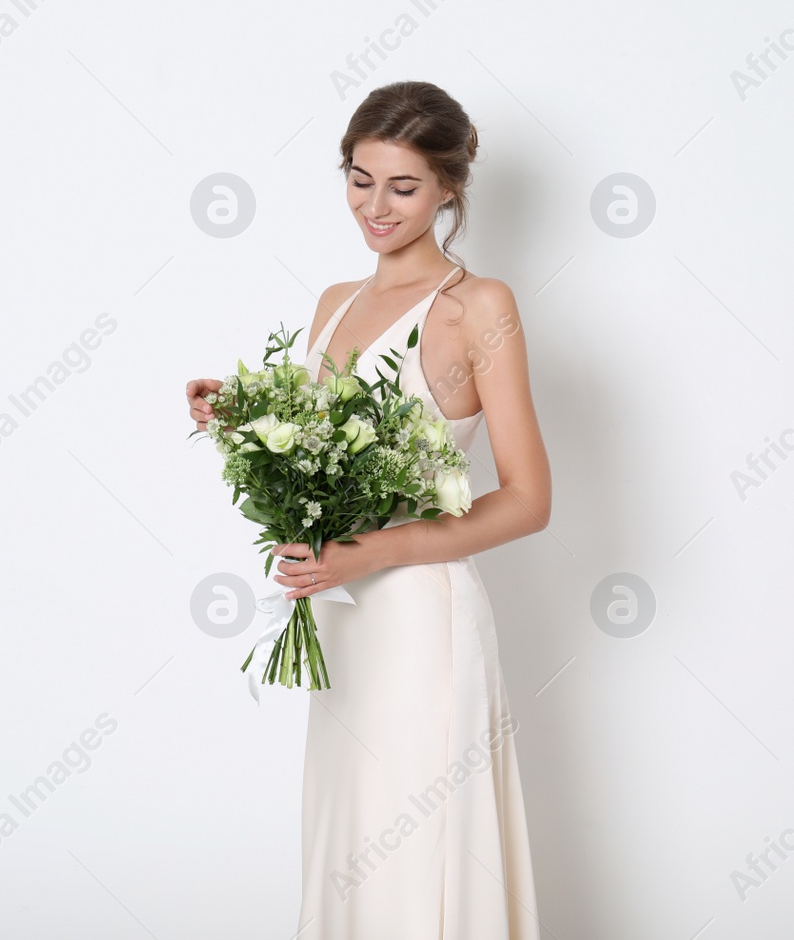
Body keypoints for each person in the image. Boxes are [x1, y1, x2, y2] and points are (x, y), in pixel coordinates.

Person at [186, 80, 549, 938]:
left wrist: (374, 552)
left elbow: (530, 499)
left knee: (420, 842)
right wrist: (243, 417)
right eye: (359, 178)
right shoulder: (334, 302)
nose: (374, 206)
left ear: (451, 188)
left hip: (422, 618)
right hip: (344, 616)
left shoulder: (478, 307)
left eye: (403, 186)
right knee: (352, 834)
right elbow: (331, 444)